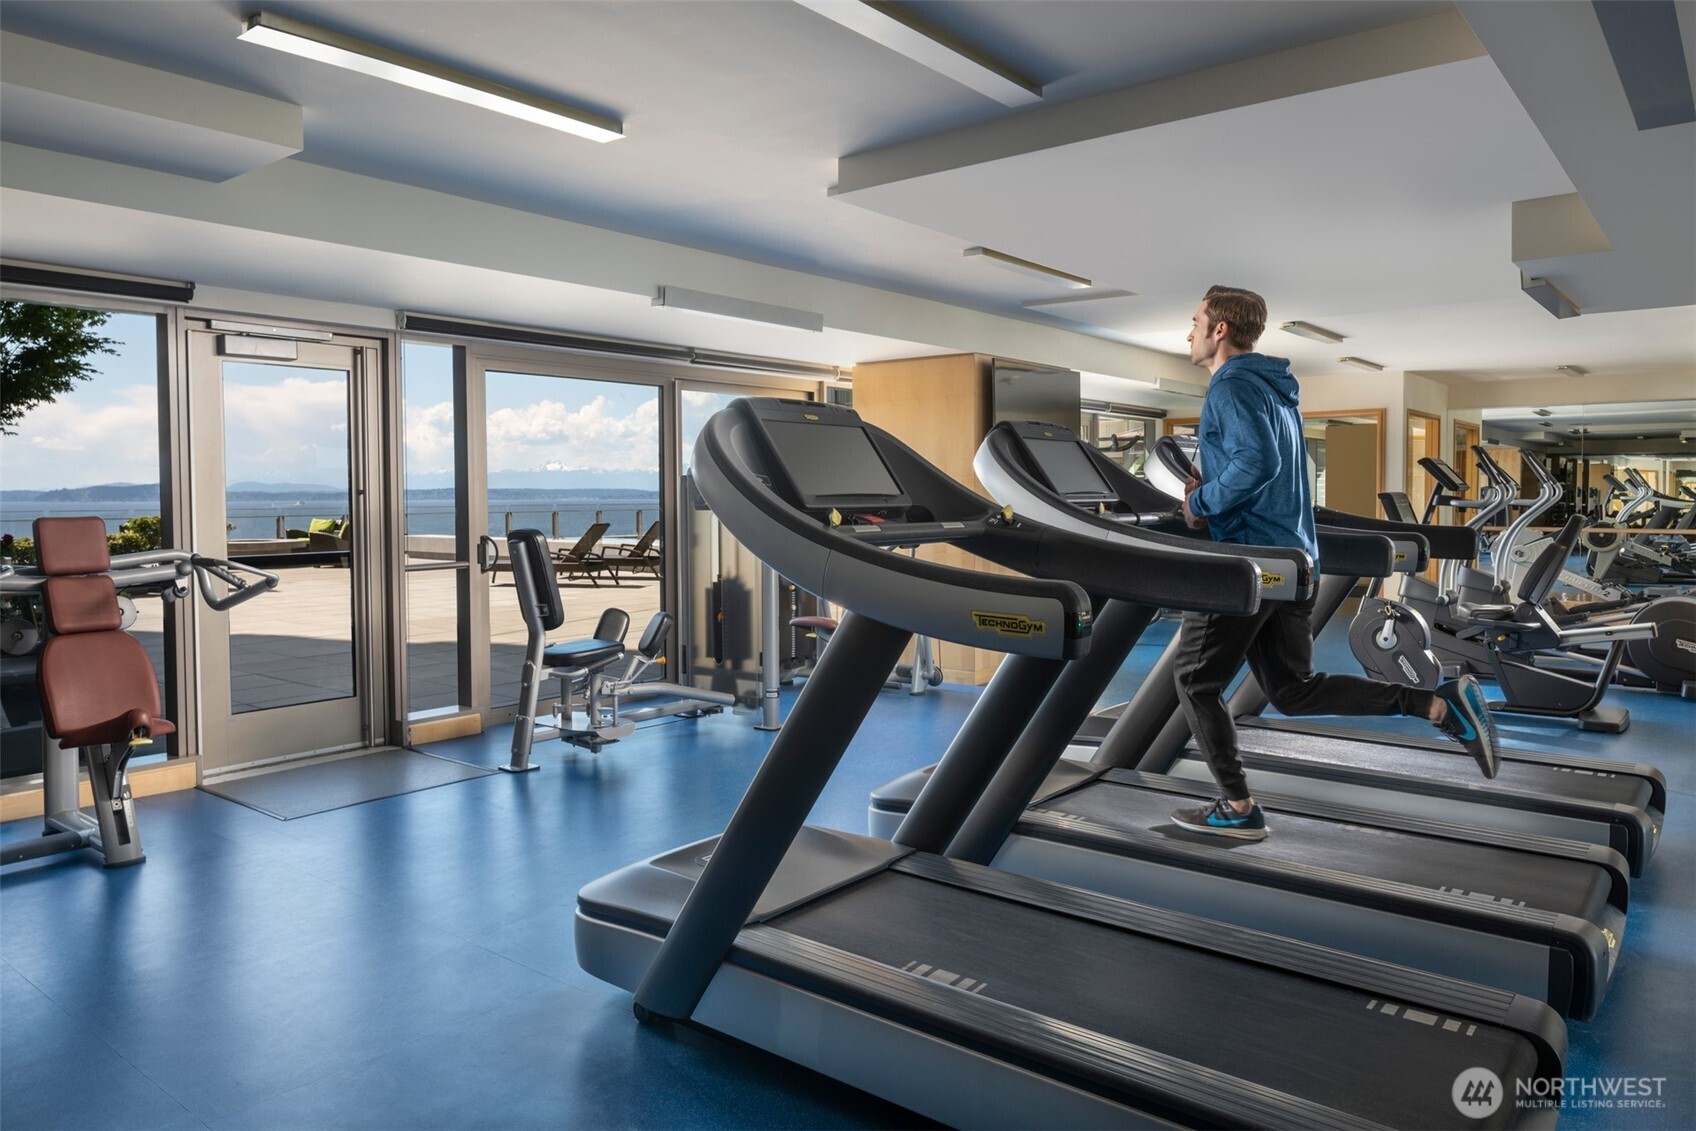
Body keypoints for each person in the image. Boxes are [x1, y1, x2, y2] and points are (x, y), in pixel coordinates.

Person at [1168, 285, 1499, 841]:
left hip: (1250, 562)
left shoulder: (1231, 386)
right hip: (1294, 561)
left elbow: (1256, 461)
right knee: (1293, 690)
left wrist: (1200, 503)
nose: (1189, 331)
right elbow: (1267, 466)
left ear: (1219, 329)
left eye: (1196, 320)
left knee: (1195, 682)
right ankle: (1436, 704)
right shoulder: (1275, 391)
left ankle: (1236, 805)